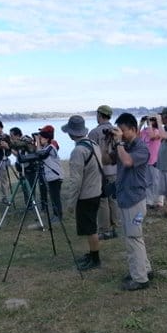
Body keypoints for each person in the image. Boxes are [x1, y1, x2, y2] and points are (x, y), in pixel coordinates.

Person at [111, 113, 153, 291]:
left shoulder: (141, 148)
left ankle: (140, 278)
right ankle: (144, 269)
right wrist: (111, 142)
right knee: (135, 237)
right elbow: (108, 159)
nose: (120, 133)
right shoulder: (124, 146)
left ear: (134, 130)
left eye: (123, 131)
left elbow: (127, 162)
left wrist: (119, 143)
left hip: (134, 201)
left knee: (133, 239)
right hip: (126, 198)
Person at [61, 115, 103, 271]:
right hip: (96, 190)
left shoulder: (78, 151)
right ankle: (92, 253)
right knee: (90, 226)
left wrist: (70, 203)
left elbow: (75, 181)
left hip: (86, 195)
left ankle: (95, 259)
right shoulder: (93, 144)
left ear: (71, 133)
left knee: (90, 228)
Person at [88, 105, 121, 240]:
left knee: (102, 201)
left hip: (100, 171)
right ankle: (115, 227)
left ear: (100, 115)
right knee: (113, 199)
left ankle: (104, 229)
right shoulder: (117, 131)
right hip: (115, 170)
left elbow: (90, 153)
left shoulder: (94, 133)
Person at [36, 125, 64, 223]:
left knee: (55, 197)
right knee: (53, 197)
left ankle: (58, 216)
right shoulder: (47, 147)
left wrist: (38, 143)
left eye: (41, 138)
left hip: (55, 176)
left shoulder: (51, 147)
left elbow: (40, 154)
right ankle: (56, 215)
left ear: (47, 138)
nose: (40, 139)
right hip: (51, 177)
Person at [139, 115, 163, 210]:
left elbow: (152, 136)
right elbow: (136, 136)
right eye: (149, 120)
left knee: (157, 181)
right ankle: (149, 201)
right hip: (146, 161)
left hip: (156, 160)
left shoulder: (157, 131)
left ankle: (159, 201)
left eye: (152, 120)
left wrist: (149, 124)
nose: (149, 122)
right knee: (147, 182)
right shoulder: (144, 131)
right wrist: (141, 123)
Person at [7, 127, 36, 207]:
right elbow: (17, 153)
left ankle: (32, 205)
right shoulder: (17, 143)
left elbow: (22, 156)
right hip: (22, 169)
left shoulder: (25, 140)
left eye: (12, 136)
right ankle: (28, 205)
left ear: (17, 135)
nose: (11, 138)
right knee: (25, 188)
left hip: (29, 168)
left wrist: (9, 147)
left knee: (29, 188)